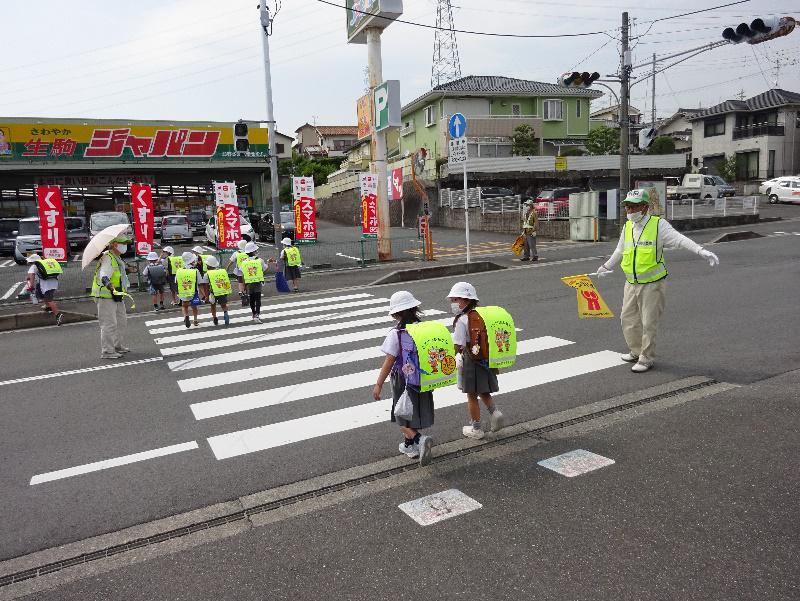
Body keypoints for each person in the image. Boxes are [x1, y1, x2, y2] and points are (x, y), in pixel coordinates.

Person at [596, 188, 720, 373]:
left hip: (652, 283)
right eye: (627, 207)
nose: (630, 211)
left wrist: (701, 250)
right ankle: (636, 351)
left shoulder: (658, 225)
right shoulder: (628, 226)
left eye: (634, 207)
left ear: (645, 207)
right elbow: (620, 250)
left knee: (648, 322)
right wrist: (606, 266)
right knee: (627, 319)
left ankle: (646, 358)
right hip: (631, 282)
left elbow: (679, 239)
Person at [372, 291, 435, 466]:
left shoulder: (396, 333)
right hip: (421, 377)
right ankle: (410, 446)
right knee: (412, 411)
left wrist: (378, 384)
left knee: (400, 415)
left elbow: (389, 360)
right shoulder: (423, 328)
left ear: (395, 313)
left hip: (403, 378)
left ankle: (419, 440)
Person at [447, 281, 505, 440]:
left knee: (471, 395)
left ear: (466, 300)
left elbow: (458, 345)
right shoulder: (480, 315)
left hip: (470, 360)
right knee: (483, 390)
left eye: (455, 300)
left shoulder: (462, 320)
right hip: (484, 359)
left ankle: (476, 428)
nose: (453, 304)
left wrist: (453, 358)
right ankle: (495, 412)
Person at [90, 236, 132, 359]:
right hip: (106, 294)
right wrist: (108, 283)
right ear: (114, 244)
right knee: (109, 324)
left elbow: (117, 273)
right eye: (123, 243)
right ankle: (107, 351)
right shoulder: (108, 257)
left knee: (121, 321)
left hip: (117, 294)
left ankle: (116, 345)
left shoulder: (117, 258)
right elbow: (104, 274)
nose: (125, 246)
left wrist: (128, 270)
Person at [26, 254, 64, 325]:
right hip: (53, 282)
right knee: (42, 295)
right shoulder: (46, 263)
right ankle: (48, 306)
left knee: (49, 299)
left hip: (46, 285)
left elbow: (31, 276)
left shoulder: (34, 266)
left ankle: (58, 315)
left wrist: (31, 286)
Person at [240, 241, 271, 323]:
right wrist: (268, 263)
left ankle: (253, 314)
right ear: (253, 251)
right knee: (258, 299)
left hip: (249, 283)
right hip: (257, 282)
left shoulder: (244, 262)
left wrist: (243, 286)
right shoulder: (259, 260)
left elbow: (243, 275)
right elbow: (265, 270)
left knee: (252, 299)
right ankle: (257, 314)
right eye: (255, 250)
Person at [204, 254, 231, 326]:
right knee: (223, 305)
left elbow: (206, 286)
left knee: (213, 305)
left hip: (213, 292)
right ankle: (226, 313)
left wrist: (206, 296)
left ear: (208, 265)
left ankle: (214, 317)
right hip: (222, 291)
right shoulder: (222, 271)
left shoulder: (207, 274)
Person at [226, 239, 249, 307]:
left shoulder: (236, 253)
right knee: (247, 281)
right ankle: (247, 293)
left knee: (240, 281)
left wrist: (227, 268)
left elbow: (231, 261)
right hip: (248, 270)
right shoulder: (249, 252)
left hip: (240, 271)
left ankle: (242, 292)